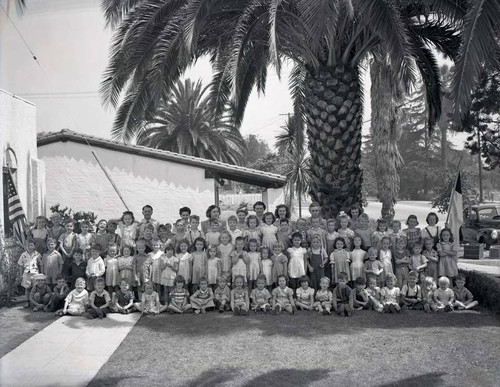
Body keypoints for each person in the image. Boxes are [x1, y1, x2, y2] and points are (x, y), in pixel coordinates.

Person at [18, 238, 42, 307]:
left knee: (36, 288)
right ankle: (28, 302)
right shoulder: (23, 255)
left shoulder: (37, 254)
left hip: (35, 274)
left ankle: (35, 304)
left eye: (31, 245)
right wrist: (20, 275)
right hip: (26, 274)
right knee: (27, 288)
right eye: (28, 245)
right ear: (25, 246)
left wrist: (41, 274)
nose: (30, 247)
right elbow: (21, 266)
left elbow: (40, 264)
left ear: (34, 246)